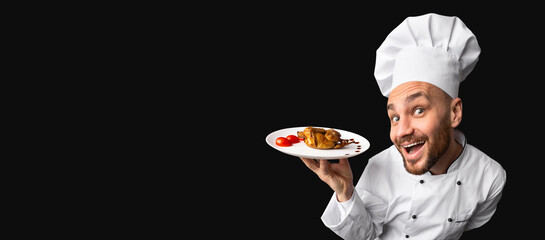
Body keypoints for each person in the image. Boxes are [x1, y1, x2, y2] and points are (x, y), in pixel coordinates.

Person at [300, 13, 506, 240]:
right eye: (395, 117)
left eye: (418, 110)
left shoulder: (490, 176)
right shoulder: (380, 166)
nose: (401, 131)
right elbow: (364, 236)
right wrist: (345, 192)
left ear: (454, 113)